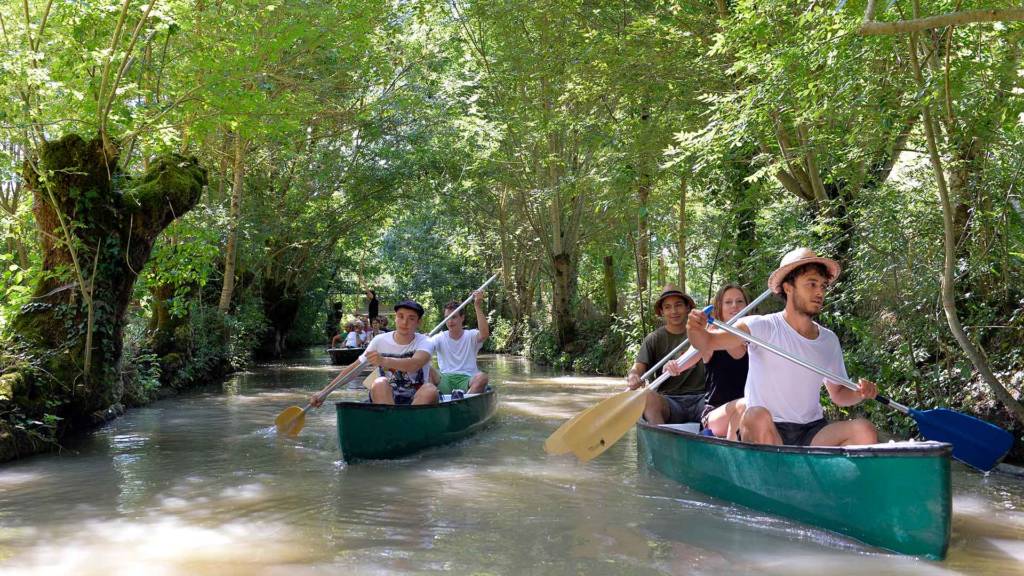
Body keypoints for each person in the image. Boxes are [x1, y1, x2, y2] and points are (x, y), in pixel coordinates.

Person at [686, 248, 878, 447]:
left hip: (812, 431)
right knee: (755, 415)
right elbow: (707, 341)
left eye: (823, 285)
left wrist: (859, 393)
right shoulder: (761, 326)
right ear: (788, 287)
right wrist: (695, 329)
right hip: (769, 430)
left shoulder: (828, 340)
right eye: (811, 284)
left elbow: (838, 394)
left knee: (864, 430)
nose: (820, 291)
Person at [311, 300, 438, 407]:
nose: (404, 322)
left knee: (430, 390)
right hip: (385, 397)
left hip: (416, 399)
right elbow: (354, 369)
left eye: (411, 318)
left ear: (419, 322)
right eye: (401, 316)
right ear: (395, 317)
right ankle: (391, 423)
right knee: (379, 382)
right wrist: (324, 392)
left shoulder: (425, 341)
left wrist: (382, 360)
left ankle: (408, 423)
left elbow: (414, 365)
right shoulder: (379, 341)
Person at [668, 283, 750, 439]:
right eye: (728, 302)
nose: (735, 306)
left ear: (747, 305)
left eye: (740, 301)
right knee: (745, 405)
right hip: (715, 415)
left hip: (753, 407)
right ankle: (734, 459)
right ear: (719, 307)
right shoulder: (709, 336)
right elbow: (680, 365)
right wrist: (672, 366)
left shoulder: (757, 338)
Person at [626, 286, 706, 425]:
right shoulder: (654, 338)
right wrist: (634, 375)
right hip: (669, 402)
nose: (674, 311)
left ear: (688, 307)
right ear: (662, 312)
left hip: (703, 399)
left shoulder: (705, 333)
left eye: (678, 305)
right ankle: (660, 441)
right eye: (668, 307)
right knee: (646, 396)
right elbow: (638, 367)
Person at [429, 290, 490, 396]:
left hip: (467, 379)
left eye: (454, 317)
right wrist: (423, 341)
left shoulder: (471, 335)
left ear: (462, 318)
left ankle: (464, 400)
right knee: (426, 369)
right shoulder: (439, 337)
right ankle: (435, 397)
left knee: (482, 377)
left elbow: (484, 334)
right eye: (447, 318)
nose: (450, 321)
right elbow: (424, 351)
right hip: (445, 379)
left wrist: (477, 306)